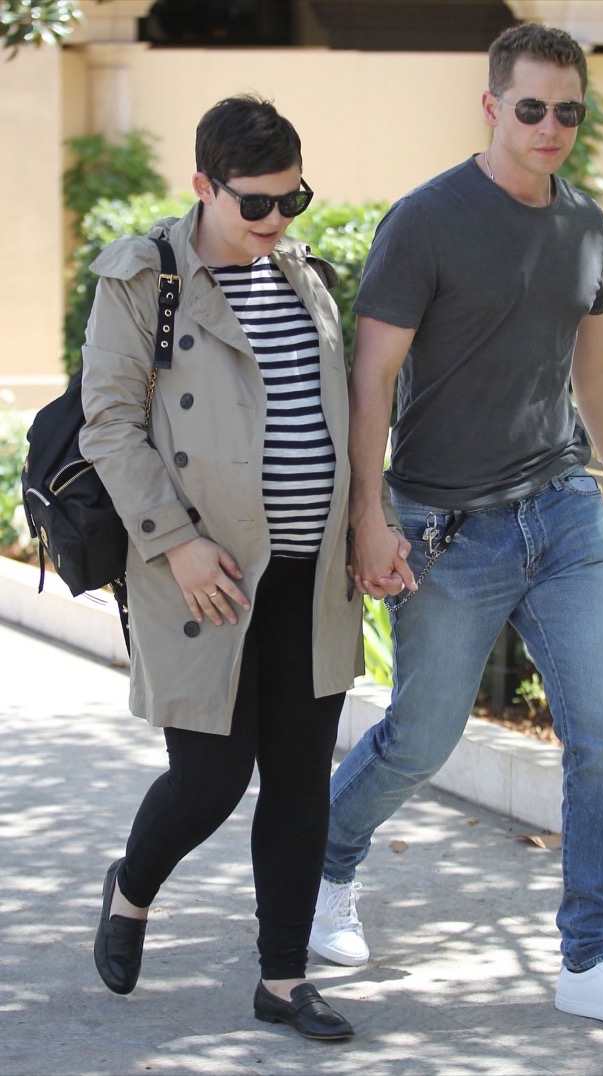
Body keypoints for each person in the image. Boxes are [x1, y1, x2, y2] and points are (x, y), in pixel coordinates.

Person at [309, 24, 603, 1032]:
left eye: (569, 111)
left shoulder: (583, 222)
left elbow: (595, 364)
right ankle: (326, 862)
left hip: (562, 508)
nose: (551, 126)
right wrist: (369, 514)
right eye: (531, 108)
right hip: (446, 526)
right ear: (491, 106)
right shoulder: (427, 220)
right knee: (420, 739)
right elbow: (372, 379)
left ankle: (594, 955)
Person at [80, 94, 365, 1041]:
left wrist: (370, 523)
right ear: (203, 185)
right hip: (203, 571)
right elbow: (110, 425)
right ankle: (131, 890)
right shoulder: (145, 278)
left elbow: (345, 417)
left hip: (310, 574)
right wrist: (176, 541)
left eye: (294, 198)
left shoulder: (305, 276)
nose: (277, 218)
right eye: (257, 202)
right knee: (210, 777)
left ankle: (283, 980)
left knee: (300, 782)